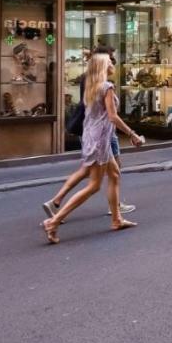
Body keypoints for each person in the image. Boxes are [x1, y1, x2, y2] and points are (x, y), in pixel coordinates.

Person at [41, 53, 142, 243]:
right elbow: (112, 117)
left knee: (114, 175)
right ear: (104, 66)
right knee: (94, 185)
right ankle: (54, 221)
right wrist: (132, 134)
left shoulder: (91, 87)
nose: (113, 63)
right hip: (101, 140)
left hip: (91, 137)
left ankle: (116, 219)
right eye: (110, 62)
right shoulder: (107, 87)